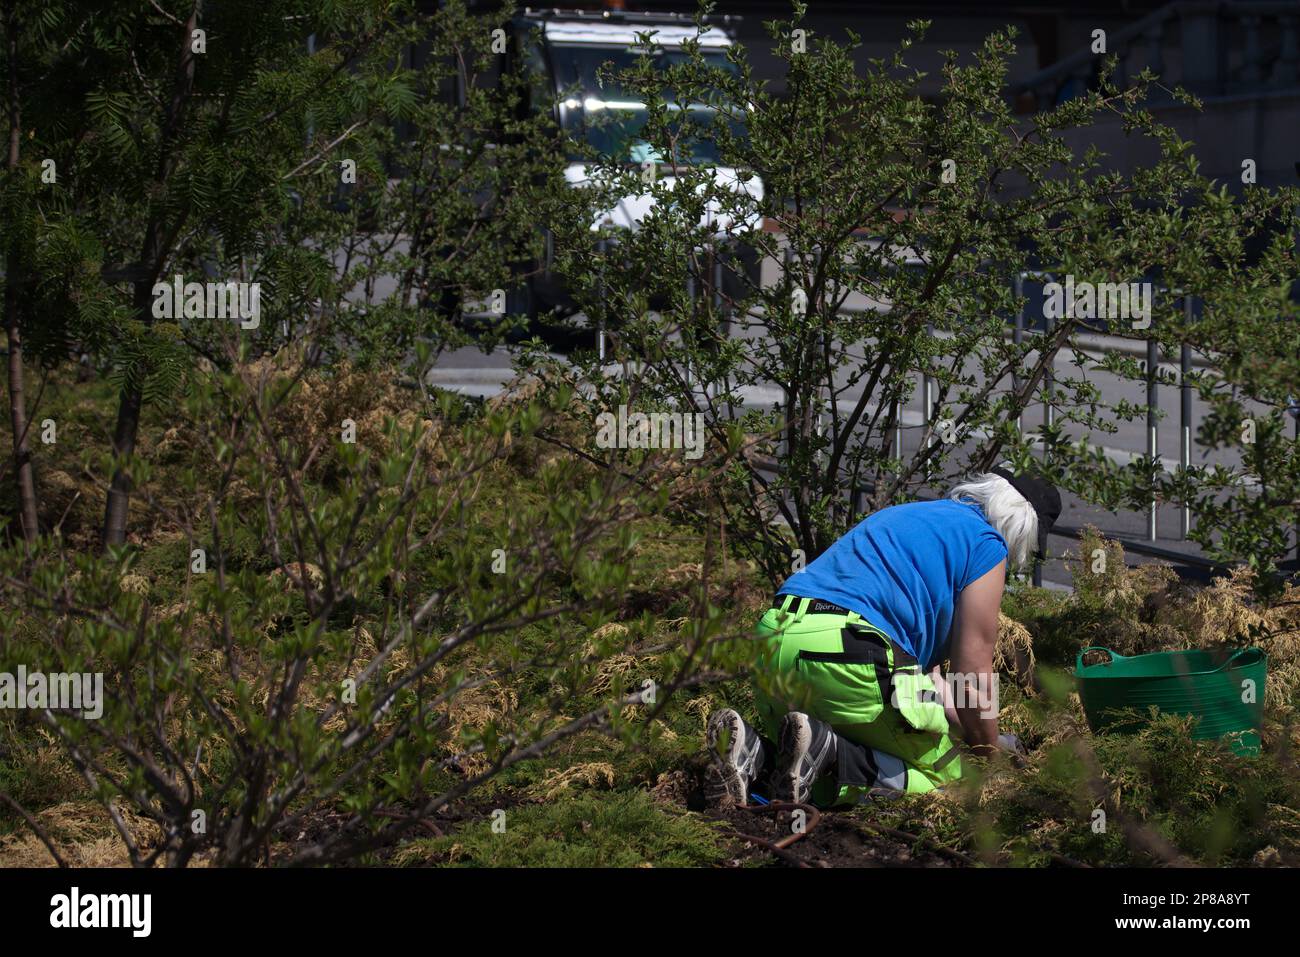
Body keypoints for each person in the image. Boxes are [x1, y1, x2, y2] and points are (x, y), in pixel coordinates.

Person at [705, 467, 1061, 807]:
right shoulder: (987, 544)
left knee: (801, 755)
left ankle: (754, 756)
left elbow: (932, 688)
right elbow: (973, 673)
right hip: (847, 651)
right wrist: (988, 760)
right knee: (955, 781)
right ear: (1023, 527)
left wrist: (985, 735)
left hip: (773, 640)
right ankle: (831, 754)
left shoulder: (915, 517)